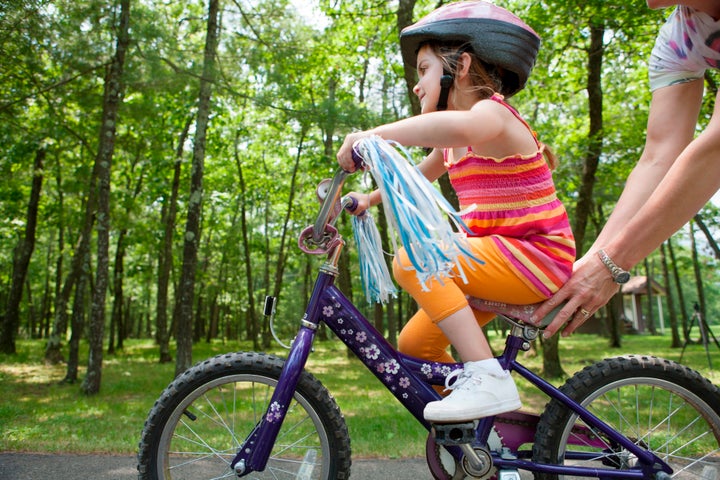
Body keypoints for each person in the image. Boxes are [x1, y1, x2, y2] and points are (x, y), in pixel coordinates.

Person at [336, 1, 575, 423]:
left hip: (535, 259)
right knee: (416, 347)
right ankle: (490, 435)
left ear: (460, 66)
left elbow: (459, 127)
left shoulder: (492, 116)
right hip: (499, 261)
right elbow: (414, 176)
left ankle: (488, 378)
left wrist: (369, 135)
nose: (417, 85)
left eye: (424, 69)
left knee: (415, 258)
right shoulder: (452, 145)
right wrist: (368, 200)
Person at [532, 0, 720, 337]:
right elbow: (659, 157)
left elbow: (716, 147)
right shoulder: (682, 35)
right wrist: (591, 265)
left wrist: (610, 264)